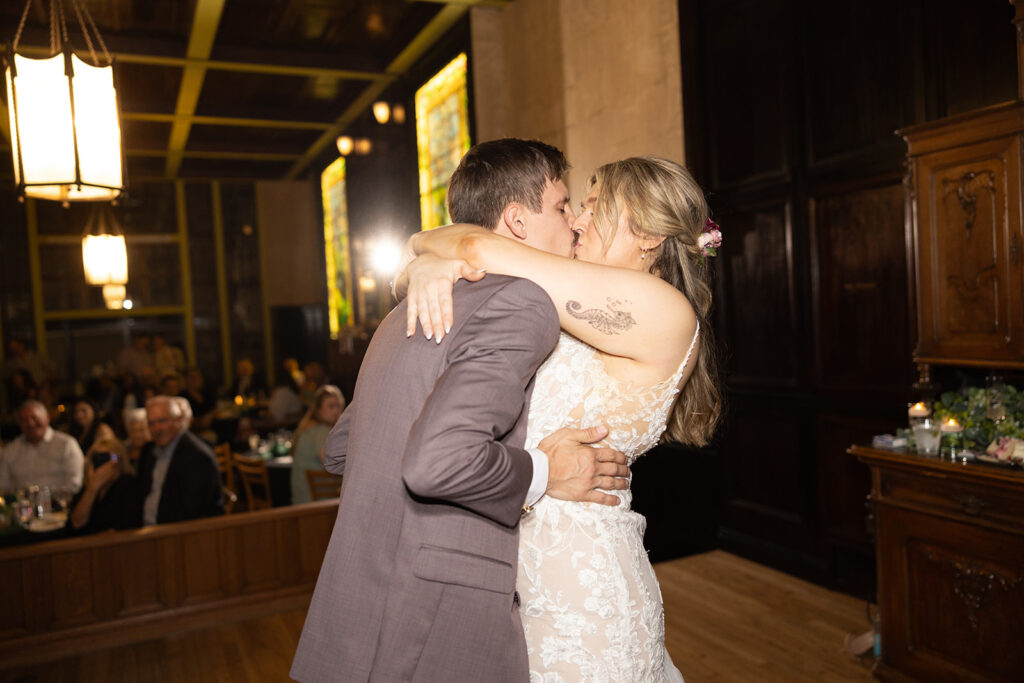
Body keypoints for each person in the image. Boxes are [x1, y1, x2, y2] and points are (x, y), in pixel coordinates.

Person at [291, 139, 631, 682]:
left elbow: (341, 448)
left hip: (357, 610)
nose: (572, 223)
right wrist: (547, 470)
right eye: (563, 205)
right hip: (436, 619)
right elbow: (437, 462)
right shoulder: (522, 302)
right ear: (517, 220)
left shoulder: (412, 304)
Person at [400, 154, 723, 681]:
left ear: (645, 233)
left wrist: (421, 248)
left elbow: (478, 246)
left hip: (584, 594)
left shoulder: (664, 308)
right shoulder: (575, 299)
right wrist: (437, 263)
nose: (576, 220)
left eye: (594, 208)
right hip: (520, 572)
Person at [136, 395, 223, 525]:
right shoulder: (149, 451)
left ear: (179, 420)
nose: (157, 429)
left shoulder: (198, 457)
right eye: (151, 423)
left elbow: (191, 514)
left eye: (163, 421)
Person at [0, 400, 84, 494]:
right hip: (21, 505)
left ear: (47, 418)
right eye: (24, 420)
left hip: (59, 506)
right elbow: (3, 486)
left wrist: (44, 497)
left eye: (34, 418)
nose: (30, 423)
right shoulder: (11, 450)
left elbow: (74, 483)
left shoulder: (66, 444)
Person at [67, 436, 140, 534]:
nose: (101, 462)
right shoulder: (87, 489)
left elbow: (128, 524)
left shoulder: (129, 485)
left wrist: (114, 462)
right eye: (96, 458)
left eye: (105, 457)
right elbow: (76, 523)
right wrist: (92, 488)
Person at [289, 385, 345, 505]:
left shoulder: (307, 427)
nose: (336, 411)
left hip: (301, 498)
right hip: (315, 502)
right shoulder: (320, 430)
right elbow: (330, 460)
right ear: (318, 409)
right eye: (331, 406)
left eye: (338, 406)